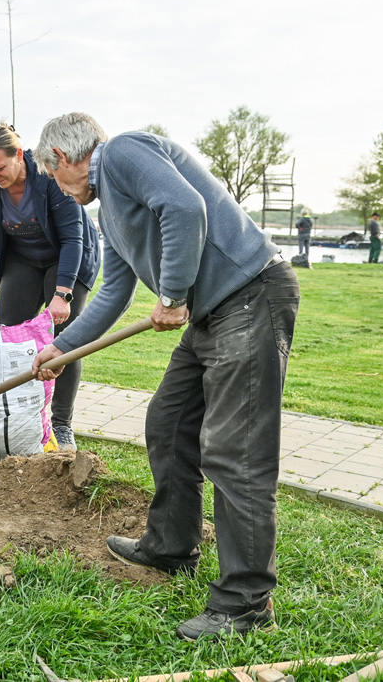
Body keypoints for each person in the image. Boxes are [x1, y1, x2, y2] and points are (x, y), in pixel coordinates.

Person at [30, 114, 299, 641]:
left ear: (61, 158)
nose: (57, 187)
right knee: (169, 422)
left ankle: (245, 602)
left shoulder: (123, 152)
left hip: (248, 295)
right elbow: (113, 292)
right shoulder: (111, 210)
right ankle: (172, 547)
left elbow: (184, 207)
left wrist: (172, 293)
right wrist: (62, 347)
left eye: (51, 175)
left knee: (235, 451)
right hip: (210, 316)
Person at [0, 123, 101, 451]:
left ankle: (61, 425)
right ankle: (9, 422)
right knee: (9, 340)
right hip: (23, 260)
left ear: (18, 155)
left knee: (65, 343)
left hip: (69, 257)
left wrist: (62, 295)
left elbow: (73, 237)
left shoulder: (48, 176)